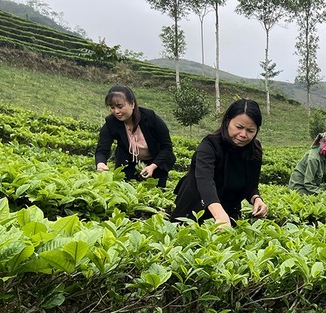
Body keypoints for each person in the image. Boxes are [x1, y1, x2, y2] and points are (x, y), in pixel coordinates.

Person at [171, 98, 268, 227]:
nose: (243, 134)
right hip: (194, 210)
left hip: (228, 212)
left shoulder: (254, 150)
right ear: (228, 121)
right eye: (239, 127)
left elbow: (250, 185)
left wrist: (256, 199)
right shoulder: (209, 145)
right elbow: (205, 182)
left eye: (250, 130)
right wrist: (219, 215)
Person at [95, 85, 175, 188]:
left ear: (132, 104)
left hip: (156, 164)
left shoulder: (150, 118)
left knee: (153, 193)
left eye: (120, 106)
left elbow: (166, 147)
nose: (116, 111)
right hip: (128, 164)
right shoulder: (111, 122)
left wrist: (153, 166)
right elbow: (102, 148)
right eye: (112, 107)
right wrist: (100, 162)